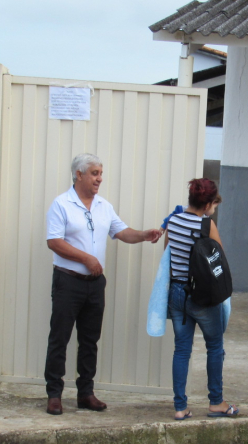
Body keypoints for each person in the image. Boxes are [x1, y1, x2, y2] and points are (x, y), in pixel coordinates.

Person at [44, 153, 163, 416]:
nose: (100, 178)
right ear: (79, 174)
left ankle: (85, 393)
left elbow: (121, 232)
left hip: (95, 284)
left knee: (90, 340)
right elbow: (54, 241)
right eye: (95, 173)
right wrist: (86, 258)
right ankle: (54, 394)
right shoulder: (61, 204)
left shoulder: (103, 206)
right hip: (67, 282)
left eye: (100, 173)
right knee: (59, 338)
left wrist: (144, 235)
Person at [165, 179, 237, 420]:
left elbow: (169, 255)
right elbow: (219, 259)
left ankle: (180, 407)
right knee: (215, 346)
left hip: (177, 293)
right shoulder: (207, 225)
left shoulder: (173, 221)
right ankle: (216, 402)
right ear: (207, 203)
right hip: (203, 296)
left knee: (182, 350)